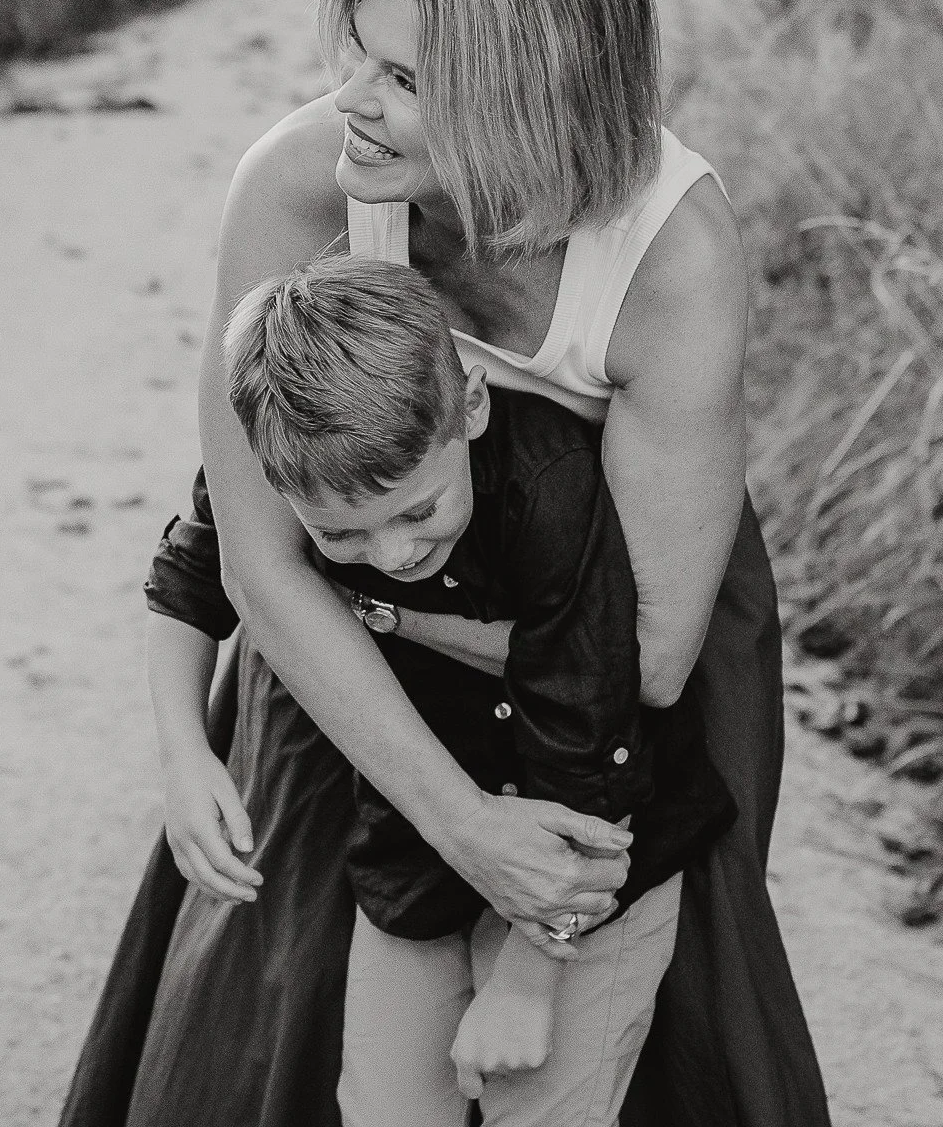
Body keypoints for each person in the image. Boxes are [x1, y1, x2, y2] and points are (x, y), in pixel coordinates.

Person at [64, 0, 829, 1126]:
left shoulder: (669, 262)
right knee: (314, 966)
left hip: (596, 628)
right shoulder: (305, 183)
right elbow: (253, 554)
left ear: (523, 101)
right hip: (341, 588)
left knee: (614, 1006)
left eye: (403, 79)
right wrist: (457, 817)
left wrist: (520, 875)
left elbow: (640, 649)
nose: (348, 101)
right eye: (355, 55)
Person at [151, 255, 734, 1122]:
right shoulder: (296, 462)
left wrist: (530, 980)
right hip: (413, 856)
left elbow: (592, 732)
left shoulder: (547, 488)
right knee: (385, 1108)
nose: (394, 556)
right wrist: (183, 753)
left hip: (593, 871)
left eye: (418, 510)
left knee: (544, 1107)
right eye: (341, 535)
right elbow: (201, 573)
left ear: (470, 405)